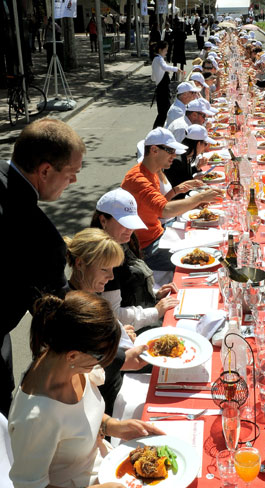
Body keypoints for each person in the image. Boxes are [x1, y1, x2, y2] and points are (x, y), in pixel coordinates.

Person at [8, 291, 163, 488]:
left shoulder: (64, 361)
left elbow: (80, 416)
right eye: (99, 358)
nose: (102, 366)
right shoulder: (37, 417)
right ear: (73, 355)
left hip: (106, 477)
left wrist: (111, 425)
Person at [0, 118, 85, 416]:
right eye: (71, 173)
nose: (74, 182)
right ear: (45, 171)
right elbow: (58, 320)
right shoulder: (40, 238)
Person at [64, 228, 151, 413]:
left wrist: (119, 334)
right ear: (80, 264)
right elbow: (77, 367)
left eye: (113, 269)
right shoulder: (74, 310)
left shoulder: (89, 296)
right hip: (104, 403)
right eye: (104, 269)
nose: (111, 277)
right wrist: (120, 356)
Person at [121, 128, 222, 276]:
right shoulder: (138, 179)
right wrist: (199, 198)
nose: (174, 156)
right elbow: (164, 210)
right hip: (148, 249)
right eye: (170, 151)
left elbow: (156, 208)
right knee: (209, 259)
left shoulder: (151, 172)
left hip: (160, 234)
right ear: (154, 150)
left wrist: (179, 193)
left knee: (211, 242)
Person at [91, 188, 179, 327]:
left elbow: (129, 287)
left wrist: (154, 293)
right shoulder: (104, 259)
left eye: (131, 224)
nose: (130, 230)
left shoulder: (123, 241)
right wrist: (155, 312)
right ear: (103, 220)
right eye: (124, 223)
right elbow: (113, 314)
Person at [165, 124, 215, 192]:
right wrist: (192, 181)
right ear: (198, 144)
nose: (205, 147)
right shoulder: (177, 161)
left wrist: (197, 167)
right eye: (205, 144)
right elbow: (177, 189)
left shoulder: (186, 155)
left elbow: (185, 176)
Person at [151, 41, 180, 129]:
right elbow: (165, 67)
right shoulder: (158, 59)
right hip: (162, 89)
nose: (167, 52)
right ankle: (157, 130)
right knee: (164, 112)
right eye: (166, 50)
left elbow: (153, 77)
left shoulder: (157, 59)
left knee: (164, 111)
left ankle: (160, 129)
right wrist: (176, 69)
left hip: (161, 88)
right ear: (160, 50)